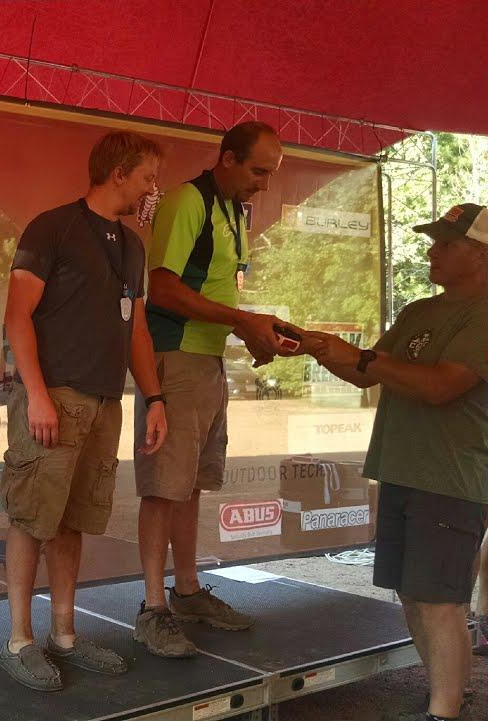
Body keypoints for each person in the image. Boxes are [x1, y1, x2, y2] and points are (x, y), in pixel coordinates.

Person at [0, 131, 168, 691]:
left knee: (73, 520)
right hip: (53, 397)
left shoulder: (133, 246)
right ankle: (20, 641)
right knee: (31, 518)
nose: (152, 187)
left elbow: (136, 328)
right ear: (118, 172)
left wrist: (155, 397)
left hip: (104, 401)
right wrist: (38, 394)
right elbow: (17, 316)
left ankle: (64, 636)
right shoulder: (53, 228)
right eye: (146, 175)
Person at [304, 203, 488, 721]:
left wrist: (359, 357)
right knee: (412, 596)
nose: (431, 250)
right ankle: (442, 698)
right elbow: (367, 374)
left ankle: (444, 711)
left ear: (480, 254)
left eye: (445, 243)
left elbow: (440, 386)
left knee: (441, 601)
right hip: (401, 469)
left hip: (451, 477)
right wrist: (317, 347)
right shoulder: (419, 311)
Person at [133, 121, 298, 657]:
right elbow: (160, 285)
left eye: (271, 174)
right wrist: (239, 319)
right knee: (164, 485)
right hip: (172, 355)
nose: (264, 185)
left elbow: (214, 290)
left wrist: (250, 330)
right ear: (227, 158)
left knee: (191, 483)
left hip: (205, 359)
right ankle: (152, 607)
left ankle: (185, 591)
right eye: (258, 171)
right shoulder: (188, 200)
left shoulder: (232, 209)